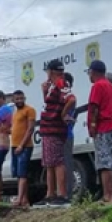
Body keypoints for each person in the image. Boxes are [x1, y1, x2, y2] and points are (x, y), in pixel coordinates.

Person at [34, 60, 71, 208]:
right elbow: (51, 104)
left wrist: (62, 114)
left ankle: (62, 194)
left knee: (57, 162)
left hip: (55, 129)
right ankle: (50, 194)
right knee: (49, 163)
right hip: (48, 129)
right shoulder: (52, 86)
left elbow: (71, 99)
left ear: (51, 71)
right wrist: (44, 92)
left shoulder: (62, 83)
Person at [87, 60, 112, 204]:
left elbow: (94, 107)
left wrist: (93, 124)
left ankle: (107, 196)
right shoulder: (111, 86)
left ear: (93, 72)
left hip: (103, 127)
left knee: (104, 163)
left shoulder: (98, 85)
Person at [9, 90, 37, 207]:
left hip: (24, 146)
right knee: (18, 174)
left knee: (22, 174)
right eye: (17, 99)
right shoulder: (15, 113)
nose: (19, 101)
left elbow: (30, 129)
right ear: (13, 100)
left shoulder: (29, 110)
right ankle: (24, 199)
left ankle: (19, 199)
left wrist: (21, 145)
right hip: (14, 145)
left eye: (21, 98)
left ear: (24, 98)